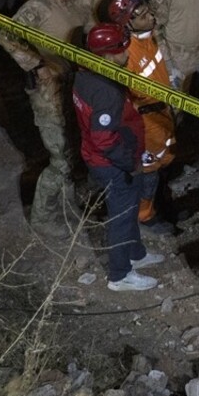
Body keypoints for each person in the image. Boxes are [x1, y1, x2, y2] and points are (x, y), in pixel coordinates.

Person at [0, 0, 89, 238]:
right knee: (60, 160)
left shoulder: (68, 4)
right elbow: (5, 36)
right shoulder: (38, 7)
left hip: (71, 87)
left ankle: (68, 207)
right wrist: (36, 64)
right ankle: (42, 218)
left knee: (72, 153)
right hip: (49, 96)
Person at [72, 23, 165, 292]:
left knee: (130, 207)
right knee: (122, 216)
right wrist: (129, 162)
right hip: (112, 162)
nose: (127, 53)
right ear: (108, 56)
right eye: (123, 49)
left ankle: (136, 254)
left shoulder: (85, 73)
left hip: (111, 156)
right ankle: (119, 275)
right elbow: (104, 138)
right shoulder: (106, 90)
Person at [107, 0, 176, 237]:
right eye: (142, 15)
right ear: (127, 24)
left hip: (162, 112)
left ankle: (161, 204)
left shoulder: (149, 38)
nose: (150, 17)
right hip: (147, 120)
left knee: (163, 159)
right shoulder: (128, 55)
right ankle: (145, 216)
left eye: (148, 11)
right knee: (150, 169)